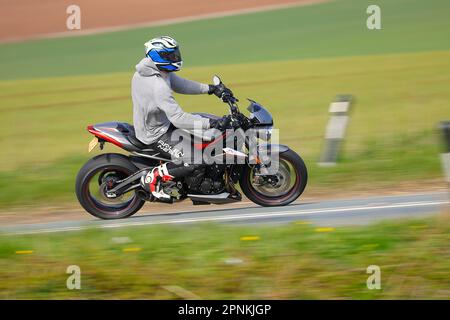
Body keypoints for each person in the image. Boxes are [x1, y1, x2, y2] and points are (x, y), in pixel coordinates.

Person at [132, 36, 231, 201]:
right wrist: (211, 123)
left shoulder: (153, 70)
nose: (175, 58)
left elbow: (180, 84)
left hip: (159, 124)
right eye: (170, 56)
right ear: (159, 56)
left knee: (203, 137)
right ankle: (153, 177)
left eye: (175, 54)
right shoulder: (158, 86)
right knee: (196, 160)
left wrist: (211, 89)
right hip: (155, 134)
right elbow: (178, 118)